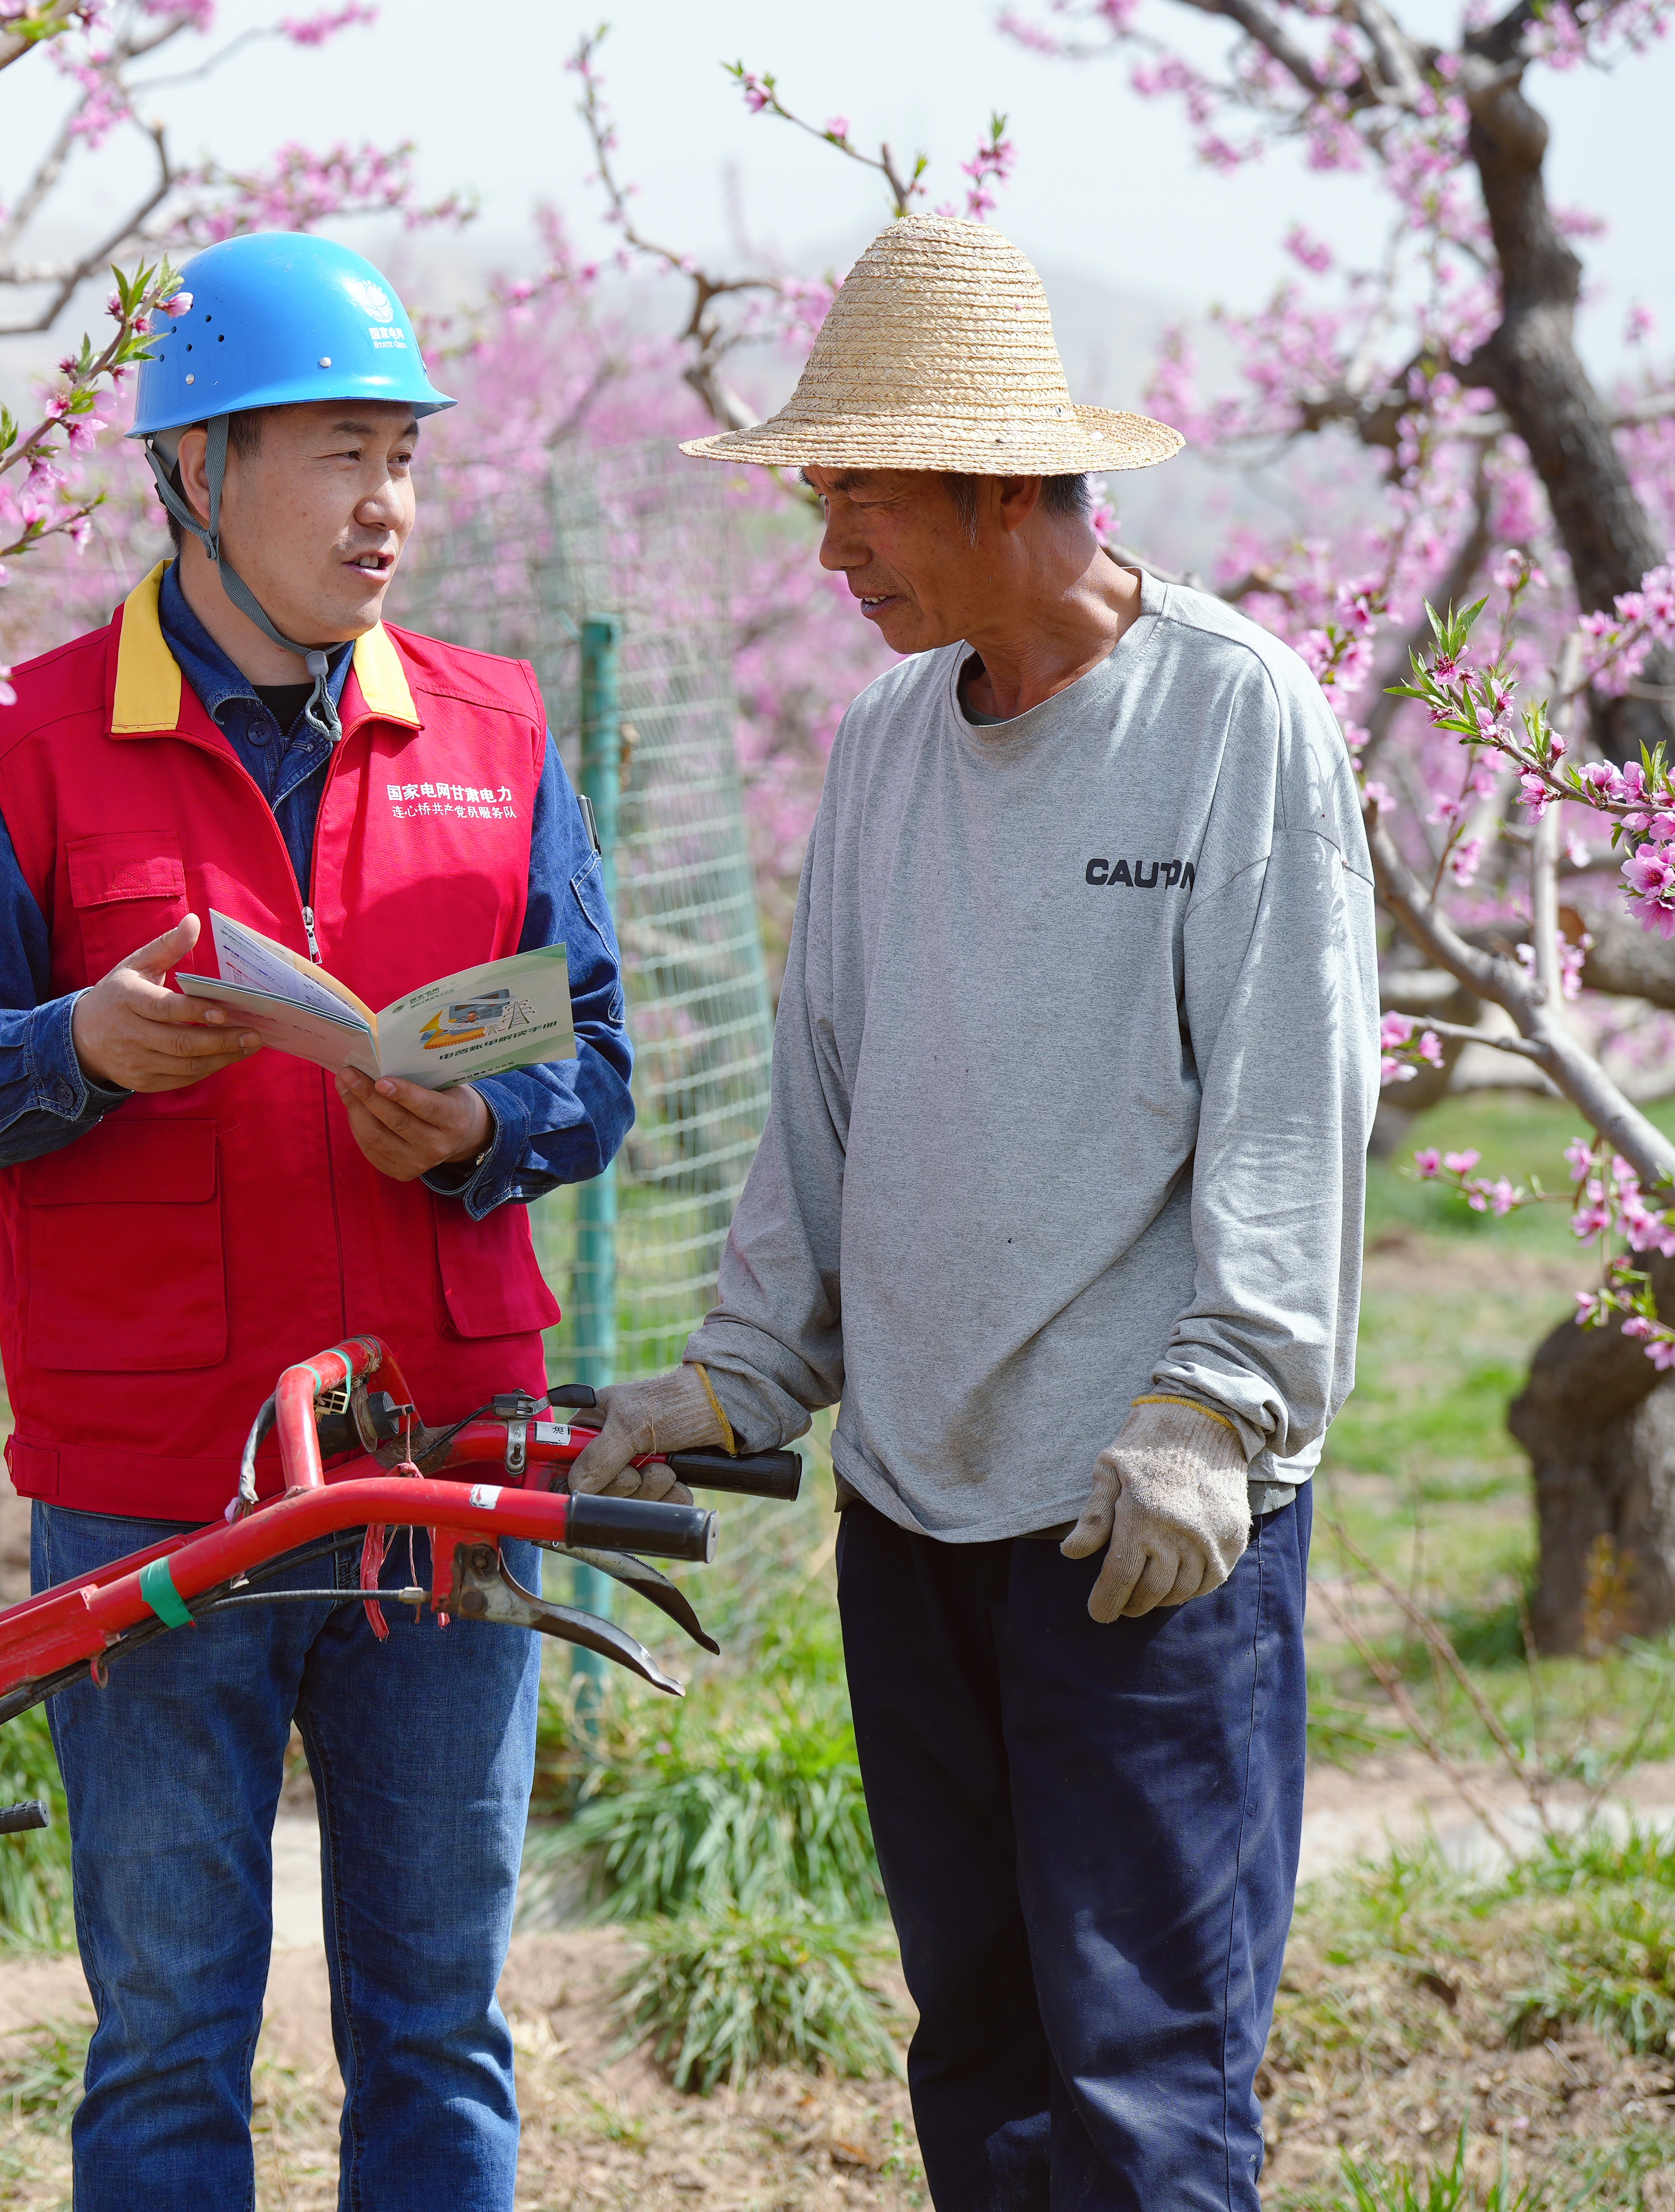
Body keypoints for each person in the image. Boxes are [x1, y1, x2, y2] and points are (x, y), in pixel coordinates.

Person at [572, 217, 1375, 2211]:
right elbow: (825, 1091)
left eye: (862, 495)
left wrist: (1220, 1411)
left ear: (1007, 486)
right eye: (821, 498)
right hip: (913, 1514)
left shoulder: (1232, 717)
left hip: (1136, 1521)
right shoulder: (882, 745)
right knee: (986, 2060)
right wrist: (742, 1369)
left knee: (1148, 2080)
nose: (831, 549)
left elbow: (1293, 1098)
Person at [0, 231, 633, 2206]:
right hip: (154, 1493)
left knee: (441, 2023)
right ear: (195, 471)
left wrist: (476, 1125)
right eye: (338, 455)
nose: (388, 506)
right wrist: (79, 1047)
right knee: (166, 2031)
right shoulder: (21, 746)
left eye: (406, 456)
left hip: (446, 1469)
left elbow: (596, 1061)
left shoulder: (499, 736)